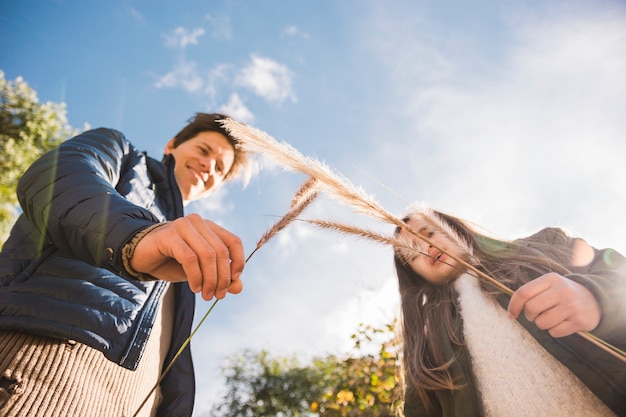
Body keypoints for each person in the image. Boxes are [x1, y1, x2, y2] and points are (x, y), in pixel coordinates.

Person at [0, 113, 253, 417]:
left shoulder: (186, 248)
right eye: (203, 150)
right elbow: (58, 176)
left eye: (220, 168)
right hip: (41, 372)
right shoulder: (123, 154)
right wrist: (136, 237)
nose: (209, 165)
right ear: (172, 145)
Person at [393, 207, 626, 417]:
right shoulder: (426, 343)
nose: (425, 248)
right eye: (412, 253)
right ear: (415, 276)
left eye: (429, 234)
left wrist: (598, 298)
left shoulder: (542, 247)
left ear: (452, 227)